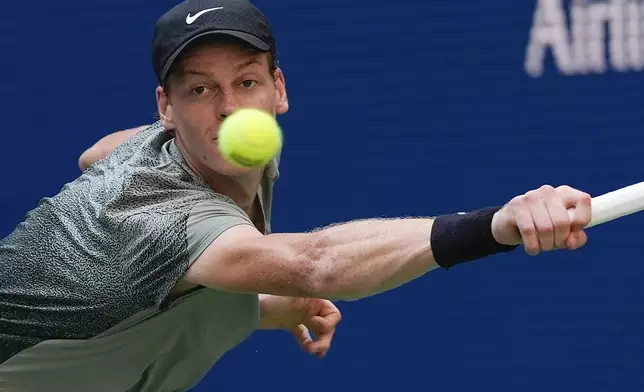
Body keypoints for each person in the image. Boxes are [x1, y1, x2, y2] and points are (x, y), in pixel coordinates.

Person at [0, 0, 593, 391]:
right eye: (201, 88)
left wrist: (254, 310)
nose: (230, 107)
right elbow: (317, 262)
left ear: (277, 89)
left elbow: (95, 154)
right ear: (166, 108)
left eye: (247, 81)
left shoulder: (217, 143)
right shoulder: (158, 217)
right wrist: (497, 225)